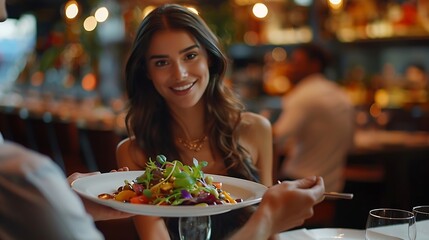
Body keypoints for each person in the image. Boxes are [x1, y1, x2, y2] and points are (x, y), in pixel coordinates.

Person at [116, 4, 274, 239]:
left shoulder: (255, 129)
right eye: (161, 62)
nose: (179, 74)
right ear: (146, 71)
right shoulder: (134, 152)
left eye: (190, 56)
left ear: (209, 57)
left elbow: (271, 229)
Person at [273, 43, 355, 193]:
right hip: (332, 185)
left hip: (300, 183)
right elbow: (350, 142)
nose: (291, 67)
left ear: (315, 65)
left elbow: (275, 137)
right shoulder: (342, 95)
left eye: (297, 63)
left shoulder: (303, 95)